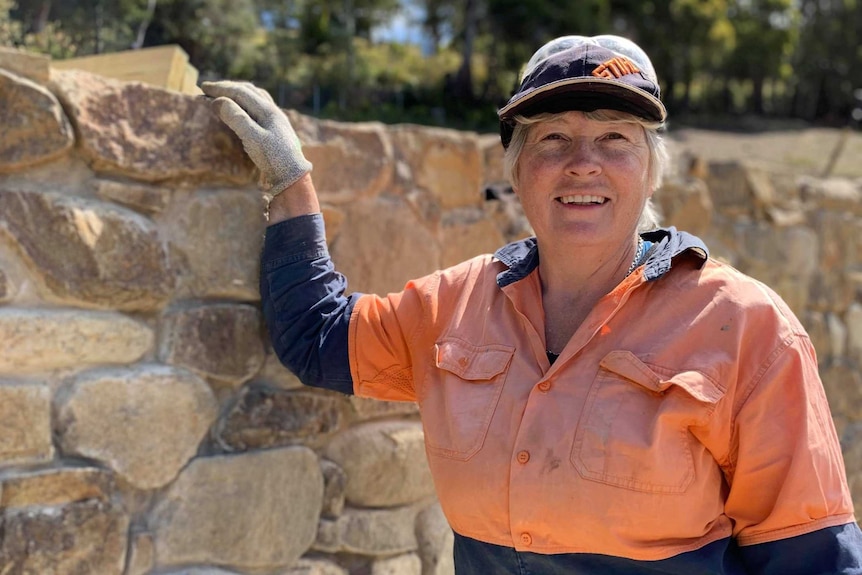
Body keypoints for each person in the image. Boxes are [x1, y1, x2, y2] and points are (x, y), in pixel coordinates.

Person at [201, 34, 862, 574]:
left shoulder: (749, 328)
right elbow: (319, 338)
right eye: (552, 139)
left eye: (615, 139)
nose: (583, 163)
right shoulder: (453, 304)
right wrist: (291, 183)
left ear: (651, 169)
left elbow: (812, 559)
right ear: (516, 169)